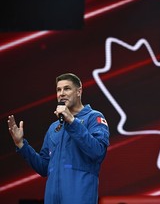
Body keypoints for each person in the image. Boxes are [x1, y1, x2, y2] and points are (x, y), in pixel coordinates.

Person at [7, 73, 110, 204]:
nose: (61, 93)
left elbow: (97, 152)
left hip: (79, 196)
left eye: (67, 88)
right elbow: (44, 167)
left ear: (79, 91)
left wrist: (72, 122)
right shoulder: (54, 127)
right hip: (52, 198)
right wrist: (21, 145)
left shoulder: (94, 117)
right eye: (58, 90)